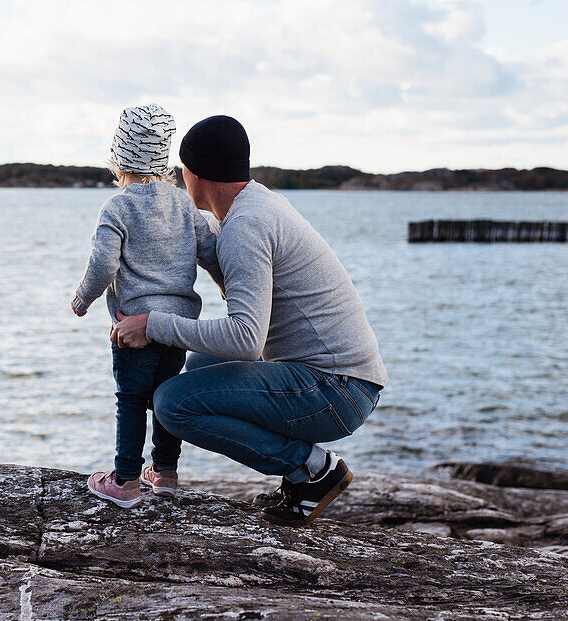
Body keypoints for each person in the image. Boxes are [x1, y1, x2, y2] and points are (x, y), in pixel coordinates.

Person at [111, 115, 387, 526]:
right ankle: (301, 479)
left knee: (172, 403)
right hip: (342, 379)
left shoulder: (246, 226)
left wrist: (154, 323)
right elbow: (243, 293)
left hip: (337, 389)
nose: (179, 176)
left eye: (182, 168)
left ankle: (311, 469)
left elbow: (245, 340)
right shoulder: (256, 204)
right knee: (200, 366)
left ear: (196, 173)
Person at [72, 104, 224, 509]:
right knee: (163, 397)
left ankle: (124, 479)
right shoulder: (183, 205)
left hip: (133, 327)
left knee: (131, 399)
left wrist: (82, 299)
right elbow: (210, 251)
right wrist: (228, 288)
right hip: (176, 327)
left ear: (120, 157)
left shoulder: (118, 207)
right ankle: (166, 473)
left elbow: (103, 264)